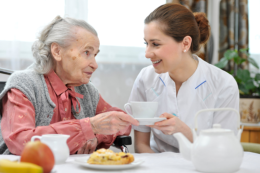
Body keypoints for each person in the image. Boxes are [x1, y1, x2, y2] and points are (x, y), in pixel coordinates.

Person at [0, 16, 139, 155]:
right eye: (86, 52)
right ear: (57, 51)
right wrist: (88, 127)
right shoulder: (24, 85)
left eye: (95, 55)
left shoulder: (87, 90)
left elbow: (122, 121)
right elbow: (20, 141)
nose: (95, 65)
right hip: (27, 172)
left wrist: (95, 135)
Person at [128, 3, 239, 153]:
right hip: (156, 167)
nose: (147, 53)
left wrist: (184, 131)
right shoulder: (145, 78)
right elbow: (142, 146)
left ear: (185, 43)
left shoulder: (224, 84)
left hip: (204, 168)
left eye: (155, 44)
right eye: (146, 43)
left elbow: (224, 149)